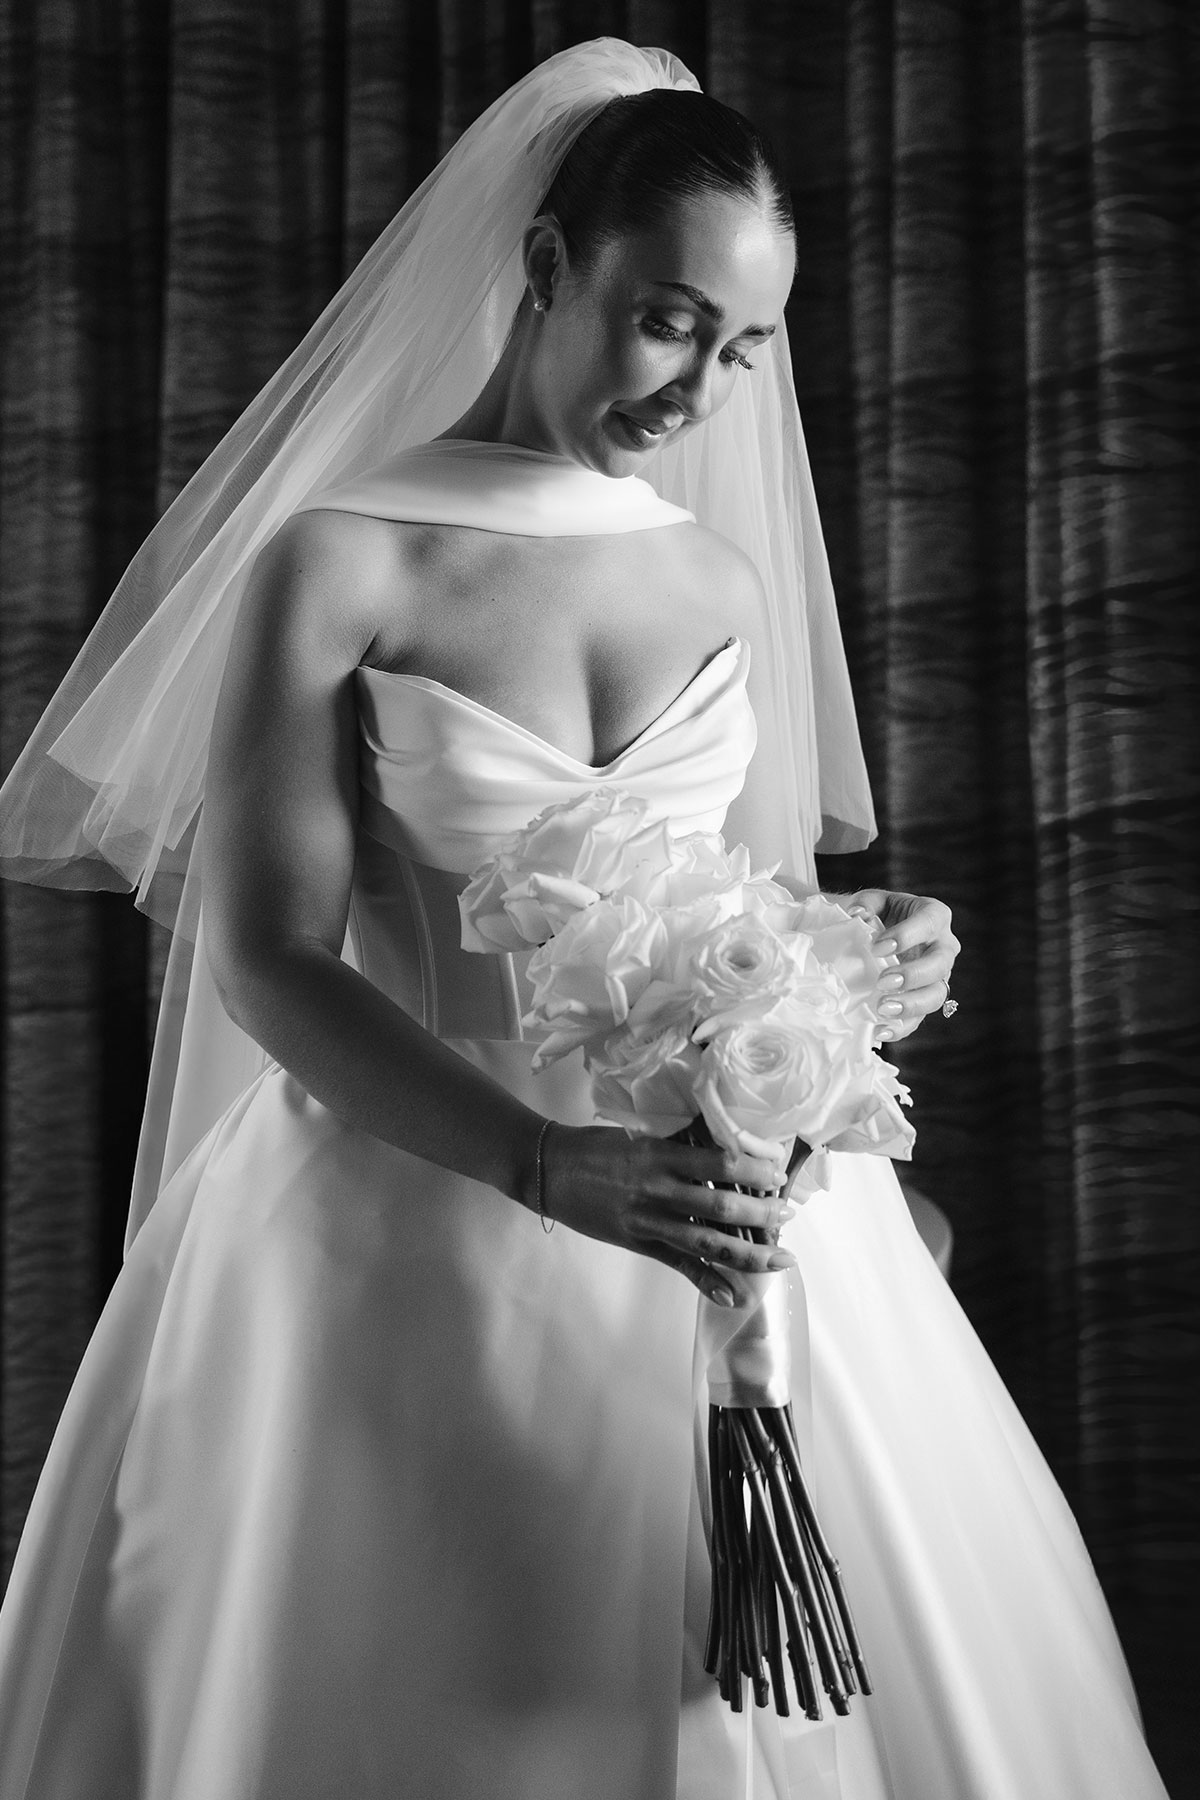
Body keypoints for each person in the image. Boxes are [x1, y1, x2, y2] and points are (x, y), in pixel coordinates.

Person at [0, 38, 1170, 1800]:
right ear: (548, 268)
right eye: (668, 318)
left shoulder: (712, 575)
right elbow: (264, 957)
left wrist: (855, 951)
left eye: (751, 344)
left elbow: (699, 899)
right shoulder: (345, 560)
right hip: (419, 1198)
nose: (705, 384)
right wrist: (549, 1166)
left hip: (723, 1203)